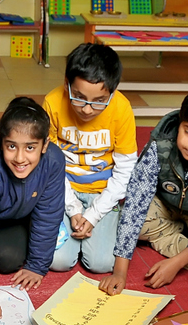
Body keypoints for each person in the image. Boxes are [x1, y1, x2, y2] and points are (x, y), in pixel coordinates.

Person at [99, 86, 188, 296]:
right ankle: (178, 237)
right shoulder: (160, 145)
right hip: (165, 205)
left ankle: (174, 240)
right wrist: (120, 272)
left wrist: (176, 264)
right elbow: (135, 204)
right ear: (179, 123)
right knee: (126, 224)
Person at [0, 97, 64, 318]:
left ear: (45, 145)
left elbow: (49, 214)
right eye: (11, 146)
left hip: (22, 214)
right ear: (1, 142)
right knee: (5, 260)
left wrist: (37, 265)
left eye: (30, 147)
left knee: (11, 259)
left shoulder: (54, 160)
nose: (19, 157)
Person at [45, 43, 137, 274]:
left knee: (101, 264)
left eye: (99, 100)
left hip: (104, 193)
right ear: (67, 83)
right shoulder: (53, 102)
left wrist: (94, 215)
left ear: (113, 92)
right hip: (62, 188)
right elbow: (48, 164)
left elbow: (125, 170)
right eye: (78, 97)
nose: (87, 109)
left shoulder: (122, 109)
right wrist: (74, 209)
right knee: (59, 262)